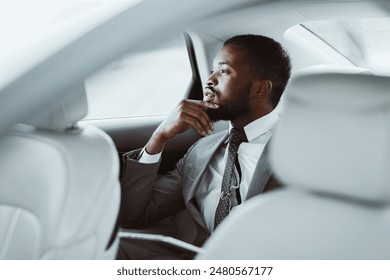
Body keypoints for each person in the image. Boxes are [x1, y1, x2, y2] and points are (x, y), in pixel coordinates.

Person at [117, 34, 291, 259]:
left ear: (260, 90)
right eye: (212, 70)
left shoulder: (296, 153)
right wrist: (158, 138)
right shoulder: (202, 150)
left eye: (224, 71)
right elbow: (134, 216)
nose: (209, 79)